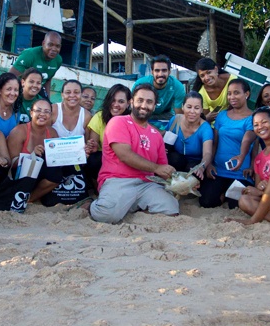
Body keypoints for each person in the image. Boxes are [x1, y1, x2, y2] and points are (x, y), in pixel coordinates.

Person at [87, 83, 179, 223]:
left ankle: (129, 206)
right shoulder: (118, 122)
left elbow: (163, 170)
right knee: (105, 216)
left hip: (147, 184)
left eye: (149, 102)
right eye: (140, 100)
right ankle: (92, 204)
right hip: (118, 180)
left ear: (154, 106)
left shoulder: (156, 135)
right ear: (131, 102)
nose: (144, 105)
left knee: (171, 209)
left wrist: (184, 183)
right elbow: (125, 155)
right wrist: (156, 168)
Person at [200, 79, 255, 208]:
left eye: (236, 93)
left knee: (235, 205)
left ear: (246, 94)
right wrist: (209, 164)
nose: (232, 97)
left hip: (241, 172)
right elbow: (214, 143)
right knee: (206, 202)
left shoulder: (253, 117)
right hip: (219, 170)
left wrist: (251, 165)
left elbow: (250, 141)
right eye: (229, 93)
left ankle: (226, 195)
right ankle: (223, 194)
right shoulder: (222, 116)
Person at [7, 99, 63, 203]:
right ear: (31, 113)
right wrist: (32, 155)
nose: (42, 114)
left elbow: (58, 158)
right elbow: (12, 163)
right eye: (38, 110)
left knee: (56, 174)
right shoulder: (19, 131)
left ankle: (30, 199)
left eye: (46, 111)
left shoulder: (52, 132)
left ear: (50, 115)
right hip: (21, 175)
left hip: (40, 177)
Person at [85, 84, 132, 186]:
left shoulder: (132, 119)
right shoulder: (100, 116)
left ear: (128, 103)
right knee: (93, 159)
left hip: (127, 157)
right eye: (113, 100)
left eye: (121, 101)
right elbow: (94, 144)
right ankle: (98, 189)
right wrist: (92, 145)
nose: (115, 104)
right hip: (106, 158)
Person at [164, 91, 213, 178]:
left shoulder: (205, 128)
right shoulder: (175, 120)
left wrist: (201, 167)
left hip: (194, 163)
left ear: (201, 110)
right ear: (183, 107)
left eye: (197, 108)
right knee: (173, 158)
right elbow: (165, 143)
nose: (192, 111)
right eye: (189, 107)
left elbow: (207, 153)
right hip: (177, 161)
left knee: (195, 172)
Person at [131, 54, 185, 130]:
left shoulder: (177, 86)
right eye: (157, 70)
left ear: (169, 72)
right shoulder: (139, 84)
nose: (160, 74)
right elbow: (133, 108)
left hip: (166, 114)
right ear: (152, 72)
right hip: (145, 112)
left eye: (164, 70)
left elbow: (178, 114)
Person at [9, 31, 62, 98]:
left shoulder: (58, 60)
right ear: (43, 43)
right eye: (50, 45)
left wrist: (47, 99)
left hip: (37, 90)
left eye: (57, 46)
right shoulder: (29, 55)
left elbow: (48, 80)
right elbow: (10, 76)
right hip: (20, 89)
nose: (54, 49)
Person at [192, 58, 235, 124]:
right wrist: (207, 118)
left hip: (235, 119)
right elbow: (205, 116)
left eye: (209, 72)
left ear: (216, 69)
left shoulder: (232, 80)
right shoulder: (202, 93)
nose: (206, 78)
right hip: (215, 124)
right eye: (202, 76)